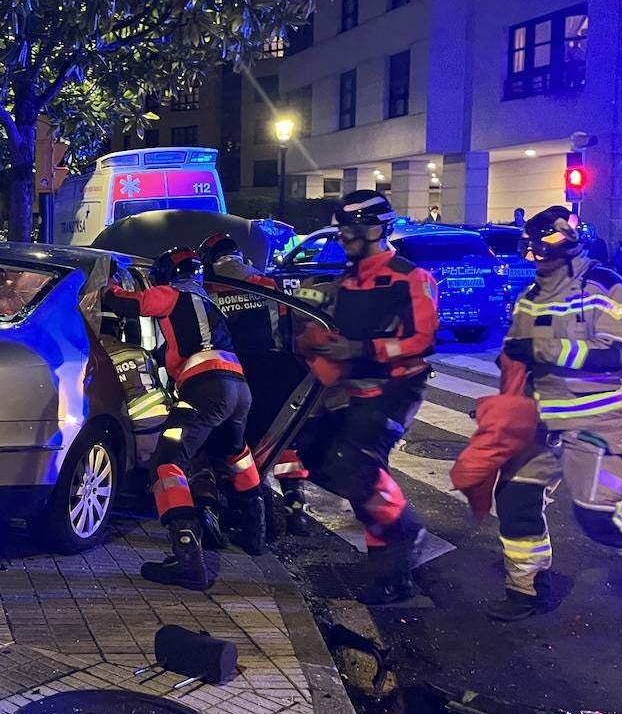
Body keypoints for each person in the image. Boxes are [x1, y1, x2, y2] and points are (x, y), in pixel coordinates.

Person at [490, 206, 622, 621]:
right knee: (516, 497)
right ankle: (527, 587)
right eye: (528, 253)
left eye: (539, 253)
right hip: (543, 417)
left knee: (599, 516)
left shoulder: (610, 287)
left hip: (600, 421)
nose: (532, 262)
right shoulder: (531, 296)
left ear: (566, 247)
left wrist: (544, 350)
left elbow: (616, 355)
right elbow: (516, 357)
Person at [289, 191, 436, 605]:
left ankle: (397, 561)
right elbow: (323, 332)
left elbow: (422, 339)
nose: (346, 237)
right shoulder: (343, 283)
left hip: (395, 388)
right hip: (346, 390)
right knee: (316, 456)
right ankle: (396, 540)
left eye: (354, 229)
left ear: (379, 228)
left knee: (358, 464)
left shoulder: (411, 277)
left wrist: (359, 350)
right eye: (343, 230)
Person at [100, 248, 261, 590]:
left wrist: (108, 284)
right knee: (236, 453)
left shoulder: (173, 294)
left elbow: (127, 303)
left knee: (167, 463)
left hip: (204, 388)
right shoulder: (210, 302)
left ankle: (188, 559)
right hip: (239, 387)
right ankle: (255, 531)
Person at [199, 233, 310, 540]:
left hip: (235, 370)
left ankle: (244, 506)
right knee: (283, 439)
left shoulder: (208, 287)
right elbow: (286, 324)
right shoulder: (264, 282)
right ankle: (296, 508)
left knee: (237, 442)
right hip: (277, 367)